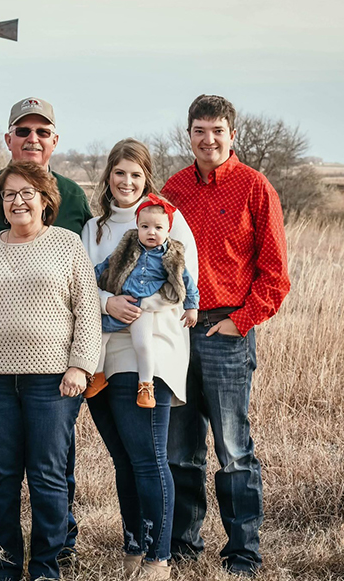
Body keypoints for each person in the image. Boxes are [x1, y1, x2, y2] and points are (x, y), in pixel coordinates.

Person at [0, 97, 92, 578]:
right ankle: (3, 563)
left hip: (52, 381)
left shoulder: (69, 240)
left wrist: (80, 365)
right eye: (10, 195)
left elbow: (87, 311)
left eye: (28, 194)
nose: (19, 200)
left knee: (51, 476)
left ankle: (49, 565)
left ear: (46, 199)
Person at [162, 94, 291, 576]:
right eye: (200, 130)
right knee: (181, 447)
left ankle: (242, 553)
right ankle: (182, 546)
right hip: (178, 328)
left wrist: (240, 321)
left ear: (232, 135)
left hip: (228, 328)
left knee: (233, 448)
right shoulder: (174, 189)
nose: (208, 139)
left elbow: (275, 273)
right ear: (189, 134)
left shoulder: (255, 188)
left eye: (217, 131)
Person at [81, 138, 198, 580]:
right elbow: (76, 287)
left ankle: (159, 558)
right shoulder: (93, 229)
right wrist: (106, 301)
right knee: (125, 459)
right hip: (99, 355)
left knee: (148, 458)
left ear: (146, 178)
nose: (127, 182)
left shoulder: (170, 221)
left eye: (136, 174)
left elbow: (182, 289)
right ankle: (134, 546)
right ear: (108, 177)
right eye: (119, 173)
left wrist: (133, 306)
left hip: (149, 351)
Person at [93, 193, 199, 408]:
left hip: (143, 310)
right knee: (100, 338)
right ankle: (97, 375)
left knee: (142, 344)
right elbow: (106, 265)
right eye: (145, 227)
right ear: (137, 227)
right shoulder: (127, 248)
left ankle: (146, 386)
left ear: (168, 230)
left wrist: (192, 308)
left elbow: (186, 283)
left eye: (158, 228)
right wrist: (90, 279)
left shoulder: (170, 257)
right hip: (120, 302)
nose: (151, 232)